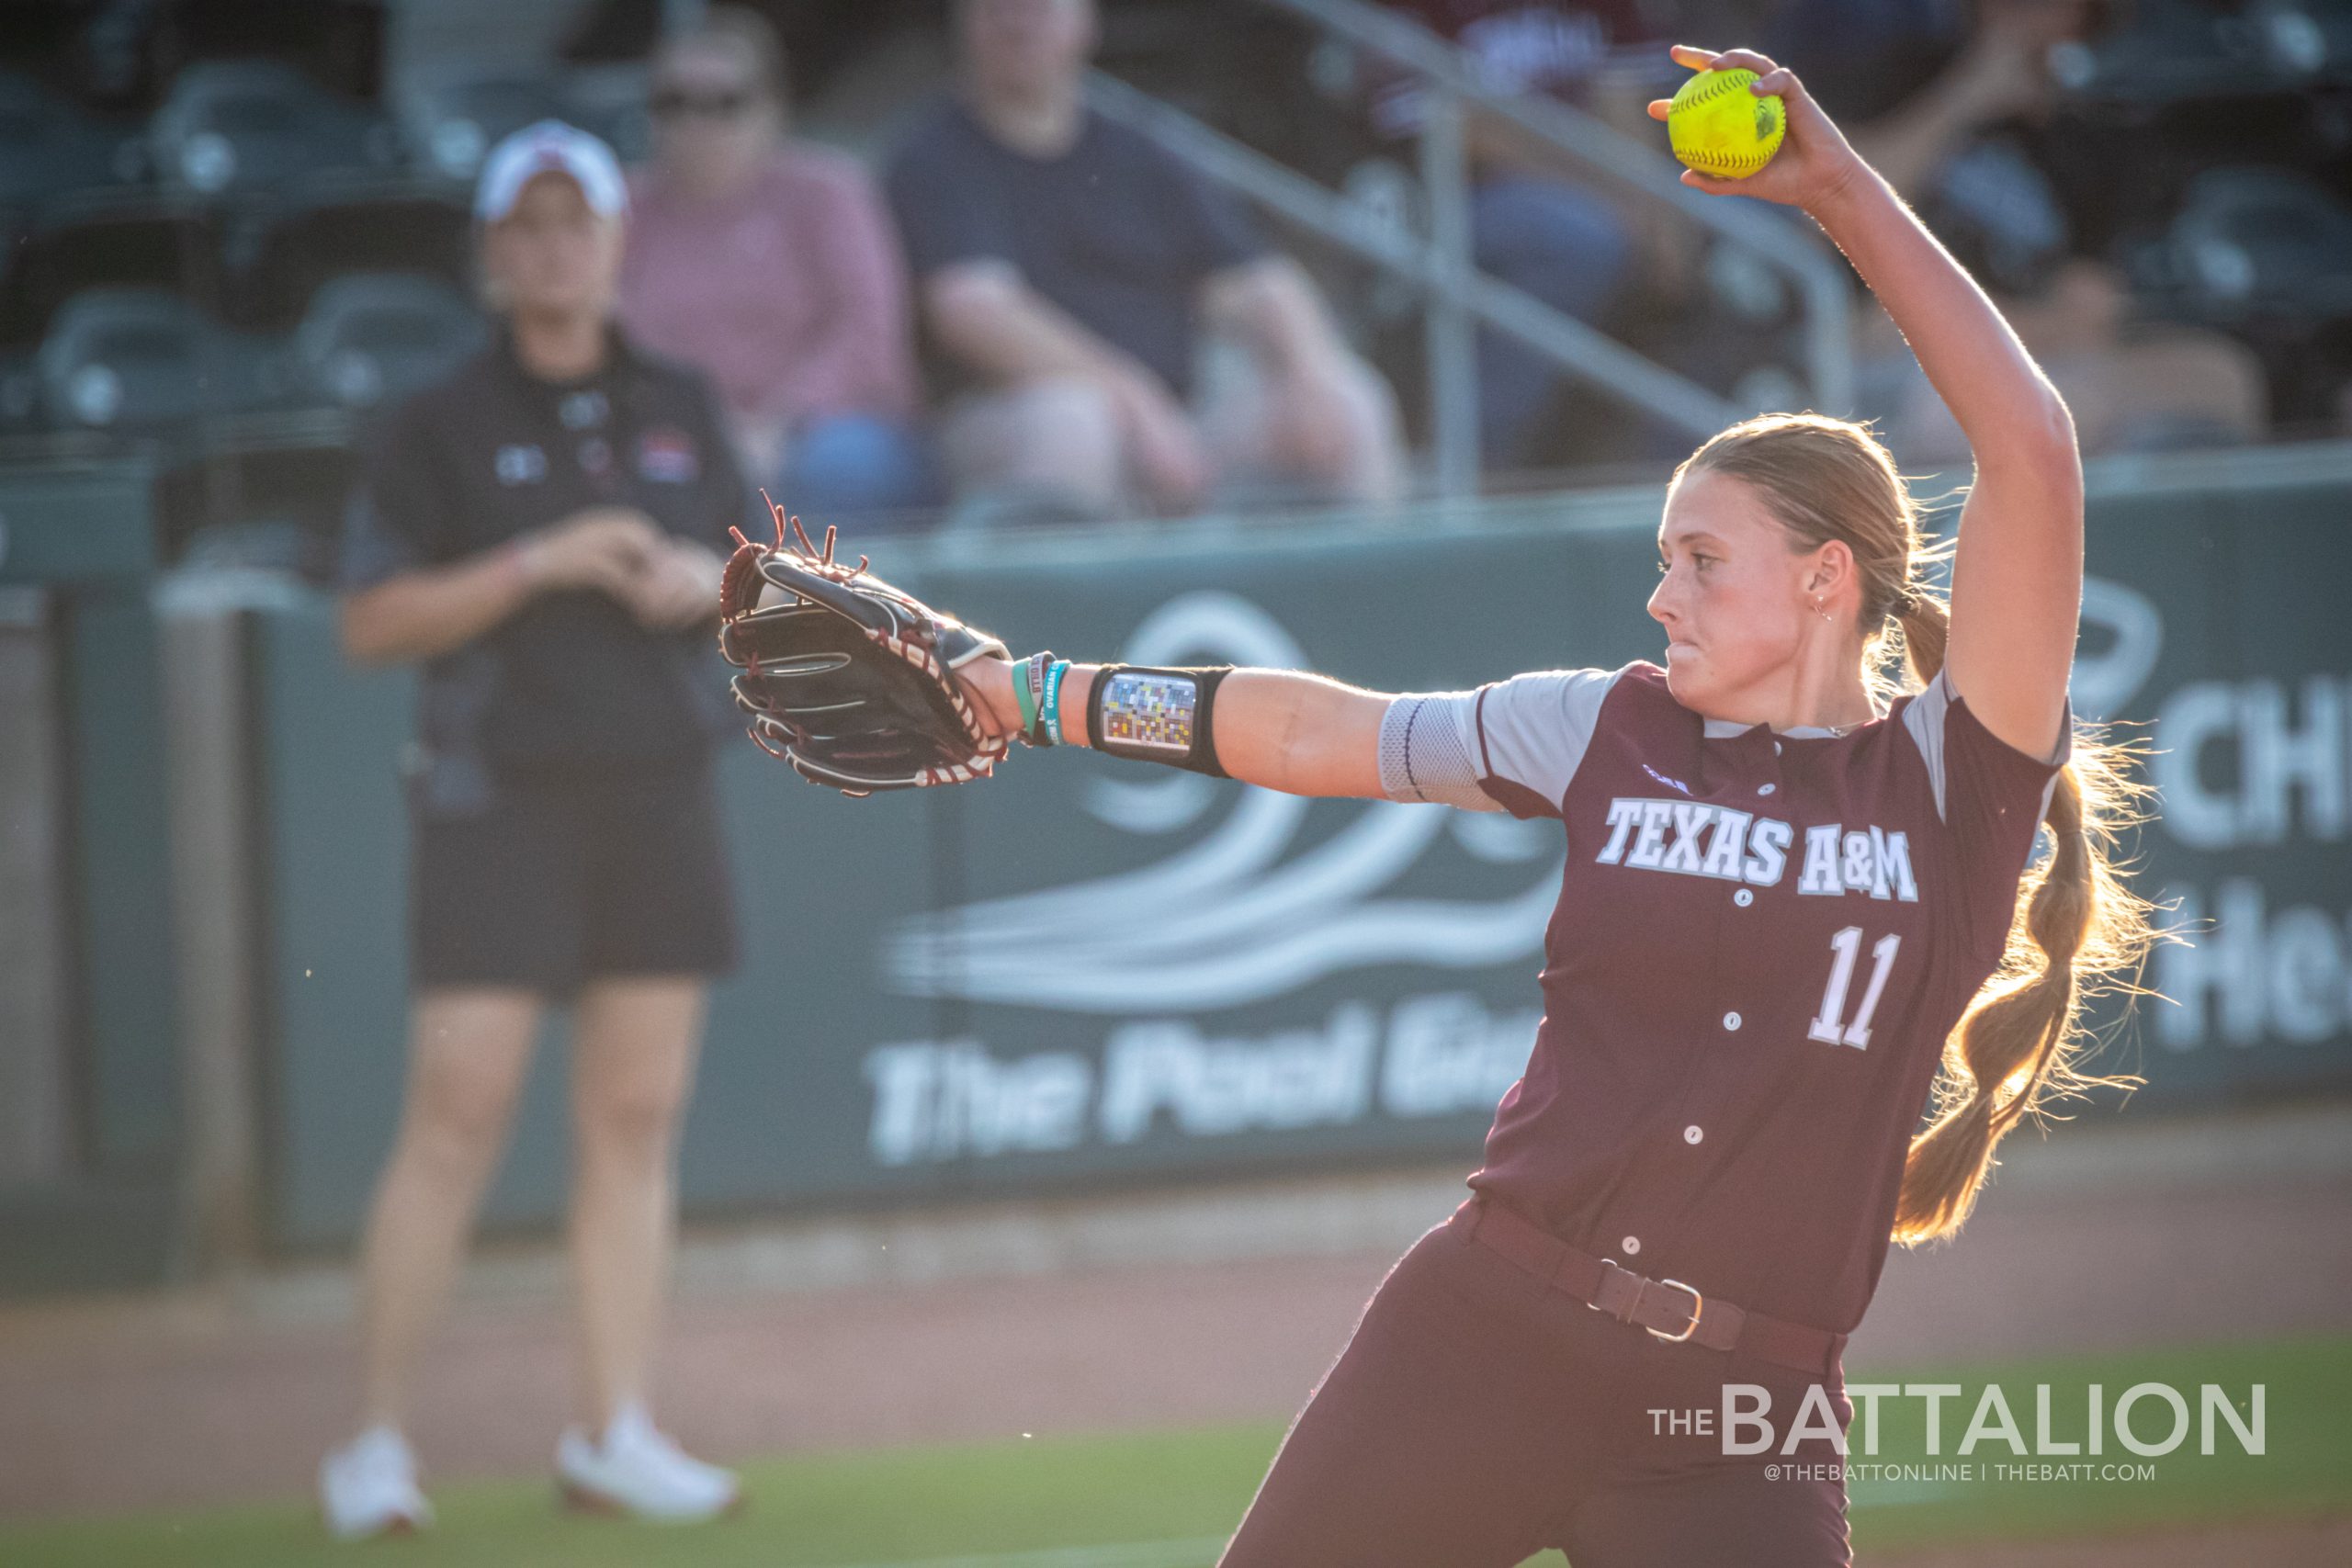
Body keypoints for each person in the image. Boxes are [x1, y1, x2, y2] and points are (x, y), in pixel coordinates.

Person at [939, 43, 2153, 1564]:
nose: (1662, 595)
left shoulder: (1949, 786)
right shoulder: (1605, 727)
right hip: (1478, 1342)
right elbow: (1326, 732)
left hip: (1738, 1426)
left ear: (1826, 579)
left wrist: (1834, 187)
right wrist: (1036, 694)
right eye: (1663, 557)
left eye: (1703, 558)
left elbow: (2028, 448)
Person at [318, 121, 749, 1538]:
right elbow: (370, 621)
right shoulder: (434, 423)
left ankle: (611, 1425)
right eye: (532, 225)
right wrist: (541, 558)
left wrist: (705, 579)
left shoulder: (683, 398)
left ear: (617, 240)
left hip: (657, 788)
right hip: (493, 798)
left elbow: (771, 590)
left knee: (635, 1114)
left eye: (581, 222)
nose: (557, 247)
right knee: (458, 1111)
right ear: (495, 250)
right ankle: (372, 1441)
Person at [885, 0, 1405, 519]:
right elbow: (975, 313)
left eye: (1040, 7)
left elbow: (1256, 279)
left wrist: (1307, 370)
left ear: (1085, 21)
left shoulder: (1138, 149)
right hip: (1002, 421)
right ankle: (1055, 603)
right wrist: (1137, 403)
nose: (1020, 20)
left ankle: (1378, 597)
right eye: (999, 8)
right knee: (1074, 422)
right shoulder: (934, 155)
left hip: (1179, 420)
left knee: (1352, 401)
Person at [617, 6, 933, 516]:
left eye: (725, 102)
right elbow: (605, 342)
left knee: (826, 472)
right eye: (675, 102)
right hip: (672, 433)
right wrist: (705, 430)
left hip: (828, 428)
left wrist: (775, 425)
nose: (698, 122)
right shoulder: (620, 208)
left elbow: (866, 335)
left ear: (772, 107)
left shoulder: (828, 193)